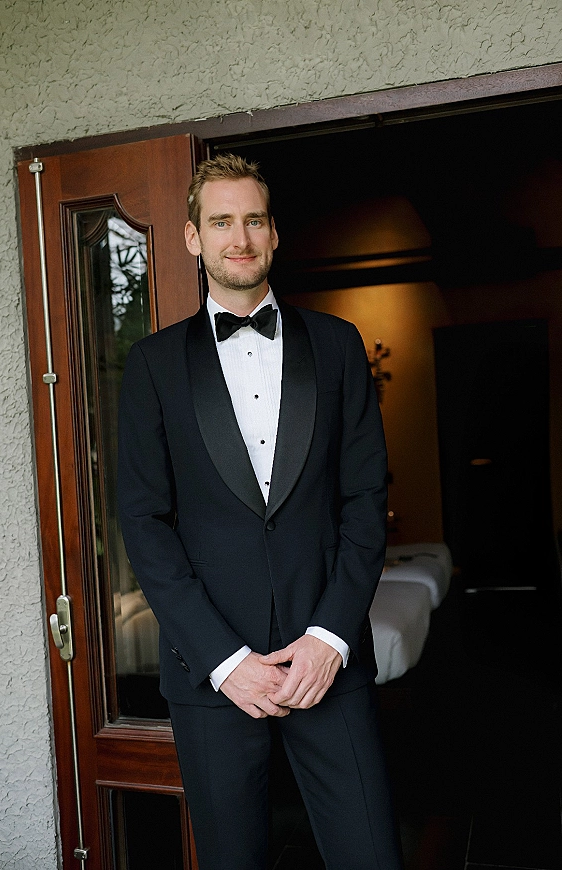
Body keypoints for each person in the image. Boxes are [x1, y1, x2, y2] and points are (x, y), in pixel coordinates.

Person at [117, 153, 403, 870]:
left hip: (327, 664)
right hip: (213, 673)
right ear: (193, 238)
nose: (237, 237)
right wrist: (223, 659)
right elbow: (145, 522)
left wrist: (331, 637)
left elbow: (366, 499)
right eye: (220, 222)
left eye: (252, 219)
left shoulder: (337, 345)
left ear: (274, 234)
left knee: (372, 855)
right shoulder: (152, 366)